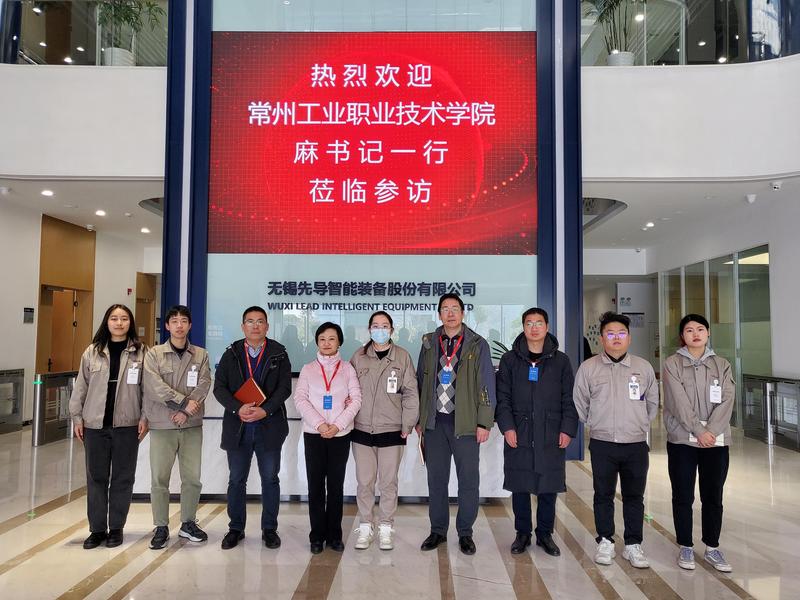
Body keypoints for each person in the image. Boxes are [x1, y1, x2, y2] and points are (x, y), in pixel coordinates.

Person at [573, 311, 658, 569]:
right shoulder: (589, 368)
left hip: (635, 444)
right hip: (603, 443)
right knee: (603, 494)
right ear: (601, 339)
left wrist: (638, 424)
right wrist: (596, 422)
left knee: (634, 496)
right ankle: (605, 540)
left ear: (629, 338)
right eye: (610, 334)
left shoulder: (643, 368)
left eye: (621, 333)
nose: (616, 338)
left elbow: (652, 403)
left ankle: (633, 544)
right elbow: (580, 402)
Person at [416, 293, 496, 555]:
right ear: (439, 314)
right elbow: (420, 382)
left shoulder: (477, 344)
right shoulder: (429, 342)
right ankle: (438, 530)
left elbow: (486, 384)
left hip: (466, 423)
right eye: (445, 309)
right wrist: (420, 419)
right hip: (435, 424)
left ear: (463, 313)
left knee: (468, 481)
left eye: (454, 309)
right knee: (436, 480)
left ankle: (465, 533)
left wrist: (484, 422)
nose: (450, 313)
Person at [495, 308, 578, 556]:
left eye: (539, 323)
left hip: (550, 431)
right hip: (519, 430)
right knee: (520, 484)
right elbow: (503, 398)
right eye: (529, 323)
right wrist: (507, 427)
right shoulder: (510, 360)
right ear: (523, 328)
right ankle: (522, 533)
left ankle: (545, 534)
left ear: (547, 327)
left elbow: (569, 398)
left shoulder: (561, 361)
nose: (534, 328)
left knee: (548, 484)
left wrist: (567, 429)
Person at [69, 304, 148, 549]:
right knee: (96, 478)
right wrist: (77, 418)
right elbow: (80, 387)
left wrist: (144, 417)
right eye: (114, 318)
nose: (119, 323)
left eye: (124, 318)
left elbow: (147, 390)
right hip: (94, 425)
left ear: (130, 323)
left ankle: (116, 528)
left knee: (123, 478)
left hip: (127, 424)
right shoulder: (92, 352)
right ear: (107, 322)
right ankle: (96, 530)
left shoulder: (141, 352)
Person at [213, 306, 292, 550]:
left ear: (267, 326)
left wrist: (265, 410)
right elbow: (219, 388)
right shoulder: (231, 354)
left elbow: (284, 388)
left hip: (269, 425)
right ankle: (236, 528)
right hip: (239, 426)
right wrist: (238, 408)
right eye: (250, 321)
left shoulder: (279, 353)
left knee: (270, 479)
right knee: (236, 480)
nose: (255, 326)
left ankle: (269, 529)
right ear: (242, 326)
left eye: (260, 321)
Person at [663, 314, 735, 573]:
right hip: (682, 440)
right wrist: (698, 430)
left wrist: (711, 432)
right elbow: (678, 402)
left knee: (713, 495)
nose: (695, 334)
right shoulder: (672, 363)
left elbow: (727, 399)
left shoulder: (722, 364)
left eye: (700, 329)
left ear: (708, 333)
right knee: (683, 494)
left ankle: (712, 547)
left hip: (715, 442)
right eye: (689, 330)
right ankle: (685, 545)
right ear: (682, 336)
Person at [143, 305, 212, 550]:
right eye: (174, 321)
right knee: (159, 478)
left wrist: (186, 412)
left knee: (192, 478)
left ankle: (188, 523)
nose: (179, 325)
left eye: (184, 321)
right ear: (167, 325)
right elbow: (154, 386)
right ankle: (161, 526)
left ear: (190, 325)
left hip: (191, 424)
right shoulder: (154, 354)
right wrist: (182, 404)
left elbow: (204, 384)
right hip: (163, 424)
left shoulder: (200, 354)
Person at [350, 311, 419, 550]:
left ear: (391, 330)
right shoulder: (358, 357)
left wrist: (407, 424)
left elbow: (411, 393)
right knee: (364, 482)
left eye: (385, 325)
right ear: (369, 329)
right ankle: (366, 526)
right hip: (361, 429)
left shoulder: (402, 357)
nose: (380, 330)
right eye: (376, 326)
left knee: (388, 483)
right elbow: (349, 391)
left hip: (392, 429)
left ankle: (386, 527)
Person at [294, 322, 362, 554]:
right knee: (315, 487)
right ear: (317, 342)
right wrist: (320, 424)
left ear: (339, 342)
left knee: (335, 486)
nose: (326, 343)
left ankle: (334, 535)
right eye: (322, 339)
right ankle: (316, 536)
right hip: (314, 435)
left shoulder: (348, 369)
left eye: (331, 339)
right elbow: (300, 399)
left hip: (340, 435)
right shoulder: (308, 369)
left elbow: (356, 400)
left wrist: (337, 425)